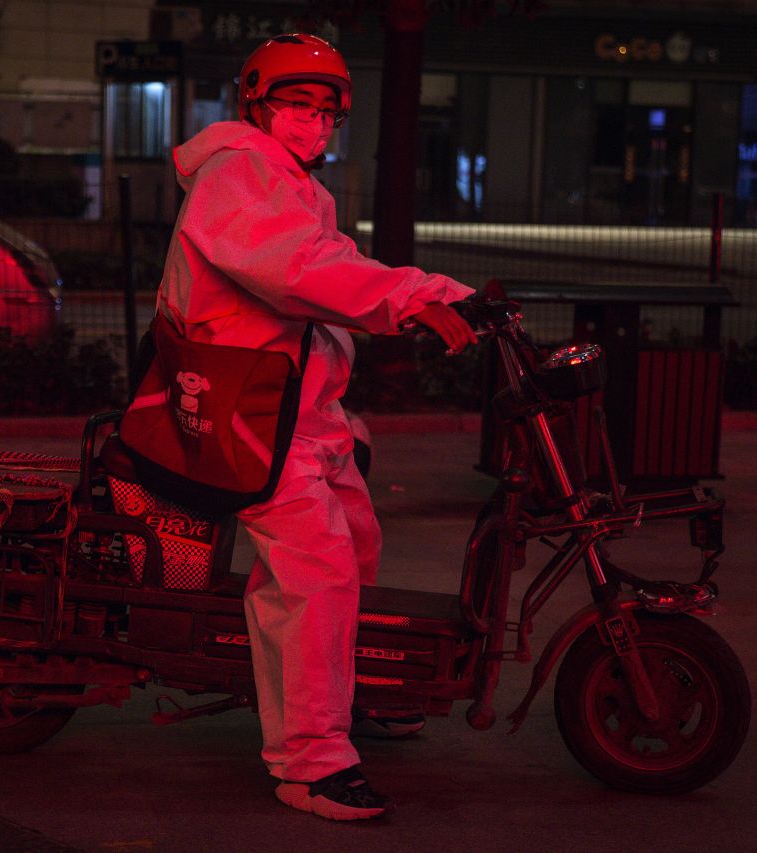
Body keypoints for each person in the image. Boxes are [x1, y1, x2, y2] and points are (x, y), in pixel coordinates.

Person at [154, 33, 477, 821]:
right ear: (257, 104)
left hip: (292, 413)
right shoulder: (236, 177)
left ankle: (345, 697)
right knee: (317, 573)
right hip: (242, 417)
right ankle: (310, 763)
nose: (314, 123)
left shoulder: (289, 183)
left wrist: (437, 298)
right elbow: (301, 271)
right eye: (298, 106)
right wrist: (415, 297)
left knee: (355, 542)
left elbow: (327, 276)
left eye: (326, 111)